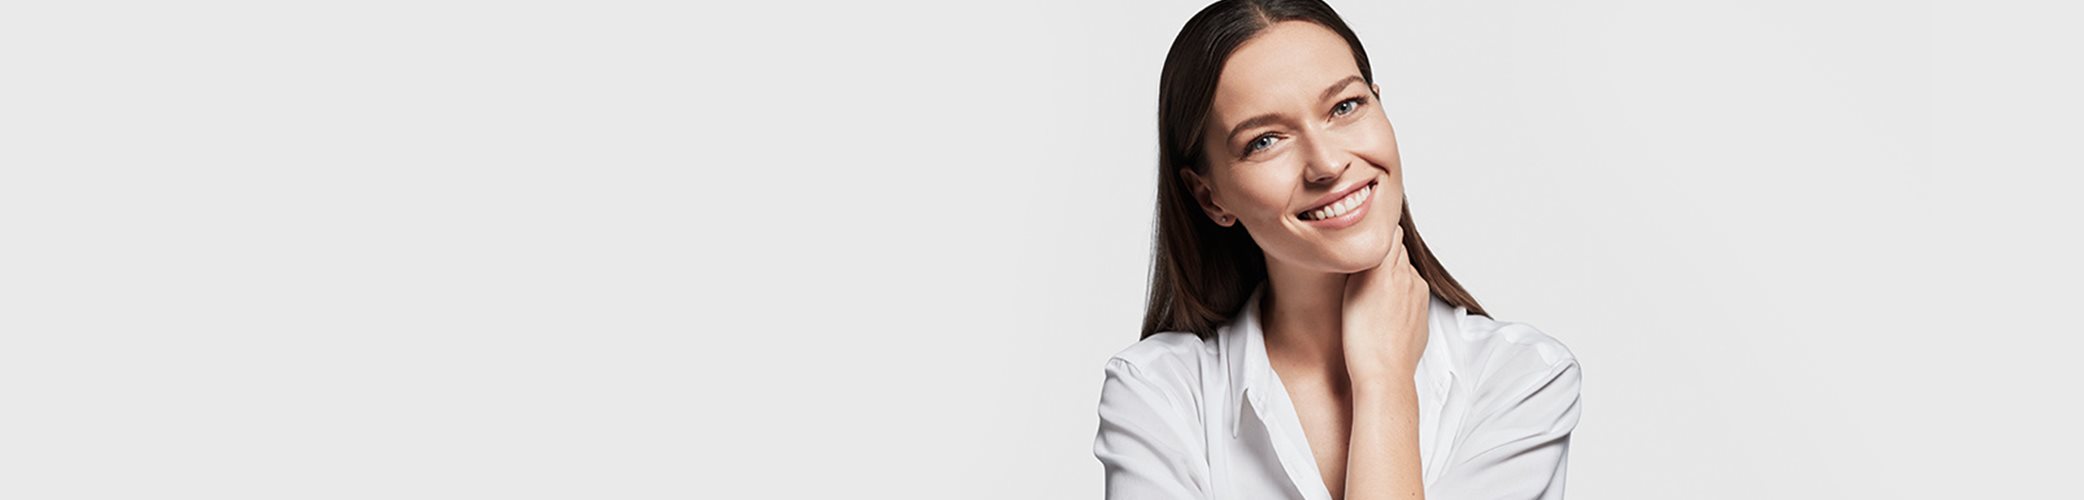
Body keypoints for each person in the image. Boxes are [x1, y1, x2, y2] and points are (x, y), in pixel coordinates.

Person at [1093, 1, 1584, 499]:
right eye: (1265, 141)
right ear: (1209, 196)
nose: (1327, 164)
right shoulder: (1157, 396)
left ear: (1380, 106)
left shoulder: (1521, 379)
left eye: (1345, 107)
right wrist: (1384, 382)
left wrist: (1384, 381)